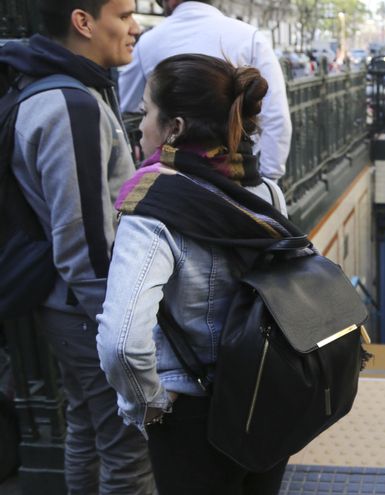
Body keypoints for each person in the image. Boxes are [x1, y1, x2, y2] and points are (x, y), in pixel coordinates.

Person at [97, 54, 294, 494]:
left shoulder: (153, 210)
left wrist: (147, 407)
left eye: (147, 111)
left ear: (175, 127)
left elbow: (122, 342)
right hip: (268, 395)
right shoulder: (265, 191)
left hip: (194, 414)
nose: (141, 123)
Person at [0, 0, 155, 492]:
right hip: (87, 309)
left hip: (66, 305)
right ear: (83, 22)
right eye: (124, 15)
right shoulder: (72, 105)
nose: (135, 27)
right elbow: (83, 242)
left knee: (87, 429)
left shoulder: (64, 88)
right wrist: (120, 326)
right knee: (127, 451)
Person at [118, 0, 292, 182]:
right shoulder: (250, 37)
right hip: (239, 170)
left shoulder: (148, 42)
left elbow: (127, 104)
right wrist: (269, 179)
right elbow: (276, 117)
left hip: (169, 172)